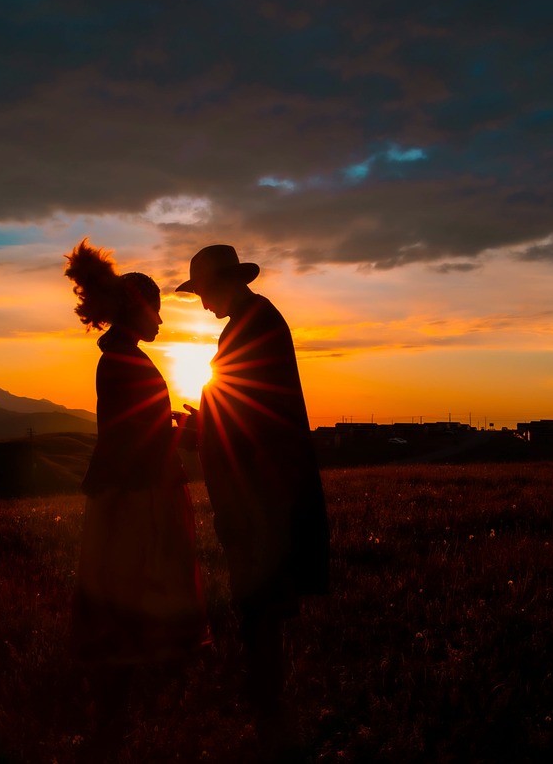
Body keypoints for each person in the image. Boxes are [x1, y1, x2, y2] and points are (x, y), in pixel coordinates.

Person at [176, 244, 330, 748]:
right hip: (263, 485)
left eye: (202, 293)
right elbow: (239, 404)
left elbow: (242, 409)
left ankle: (267, 708)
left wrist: (197, 427)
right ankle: (266, 702)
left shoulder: (251, 325)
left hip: (260, 491)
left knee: (258, 597)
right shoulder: (255, 320)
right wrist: (201, 422)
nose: (201, 305)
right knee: (260, 597)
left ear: (222, 284)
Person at [63, 239, 210, 754]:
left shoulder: (122, 358)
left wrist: (168, 423)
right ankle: (114, 717)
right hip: (136, 499)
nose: (163, 323)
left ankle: (116, 715)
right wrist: (187, 432)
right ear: (138, 309)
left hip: (125, 494)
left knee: (122, 599)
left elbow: (131, 427)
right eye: (159, 312)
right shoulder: (127, 361)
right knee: (129, 600)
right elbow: (135, 438)